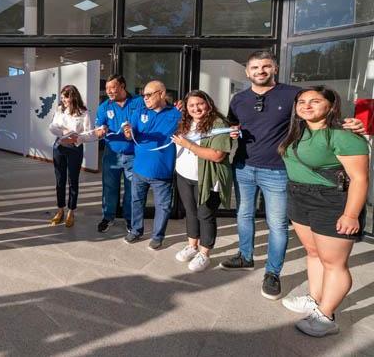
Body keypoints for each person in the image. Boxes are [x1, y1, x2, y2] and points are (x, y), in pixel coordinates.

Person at [218, 50, 364, 300]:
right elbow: (232, 126)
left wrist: (352, 123)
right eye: (254, 67)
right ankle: (245, 256)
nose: (260, 71)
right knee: (243, 215)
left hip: (277, 170)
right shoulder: (238, 99)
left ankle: (272, 273)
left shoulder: (294, 95)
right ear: (247, 72)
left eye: (266, 66)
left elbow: (320, 116)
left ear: (274, 68)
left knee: (276, 224)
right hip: (243, 166)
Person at [278, 86, 368, 337]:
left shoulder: (344, 136)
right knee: (314, 253)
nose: (306, 105)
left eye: (315, 101)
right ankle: (314, 298)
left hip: (330, 201)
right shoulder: (299, 131)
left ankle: (327, 316)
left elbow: (359, 179)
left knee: (334, 263)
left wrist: (350, 215)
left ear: (330, 106)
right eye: (302, 101)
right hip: (299, 196)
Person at [171, 90, 234, 272]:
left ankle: (205, 253)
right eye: (191, 105)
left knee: (205, 215)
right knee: (191, 212)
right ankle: (192, 245)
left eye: (200, 103)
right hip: (184, 176)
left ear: (208, 103)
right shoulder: (186, 122)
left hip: (207, 179)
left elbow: (217, 155)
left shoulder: (218, 124)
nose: (196, 108)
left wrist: (189, 145)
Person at [123, 80, 181, 250]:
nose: (145, 98)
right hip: (139, 168)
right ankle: (136, 230)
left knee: (162, 206)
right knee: (136, 201)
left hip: (162, 171)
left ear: (161, 94)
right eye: (143, 95)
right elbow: (131, 135)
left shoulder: (177, 115)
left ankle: (157, 236)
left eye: (149, 95)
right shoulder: (139, 112)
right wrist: (128, 133)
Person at [93, 75, 139, 233]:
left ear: (122, 86)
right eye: (107, 89)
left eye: (112, 87)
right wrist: (101, 131)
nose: (109, 91)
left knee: (131, 189)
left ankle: (130, 219)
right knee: (109, 187)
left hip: (133, 155)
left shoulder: (138, 103)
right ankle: (108, 217)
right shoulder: (104, 106)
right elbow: (98, 128)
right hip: (111, 154)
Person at [48, 85, 93, 227]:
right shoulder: (60, 110)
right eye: (62, 98)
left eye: (65, 98)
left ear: (73, 97)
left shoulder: (83, 113)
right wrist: (63, 132)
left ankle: (71, 211)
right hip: (59, 148)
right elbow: (52, 126)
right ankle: (60, 209)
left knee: (73, 181)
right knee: (60, 180)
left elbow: (90, 133)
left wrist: (77, 138)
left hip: (75, 149)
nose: (63, 101)